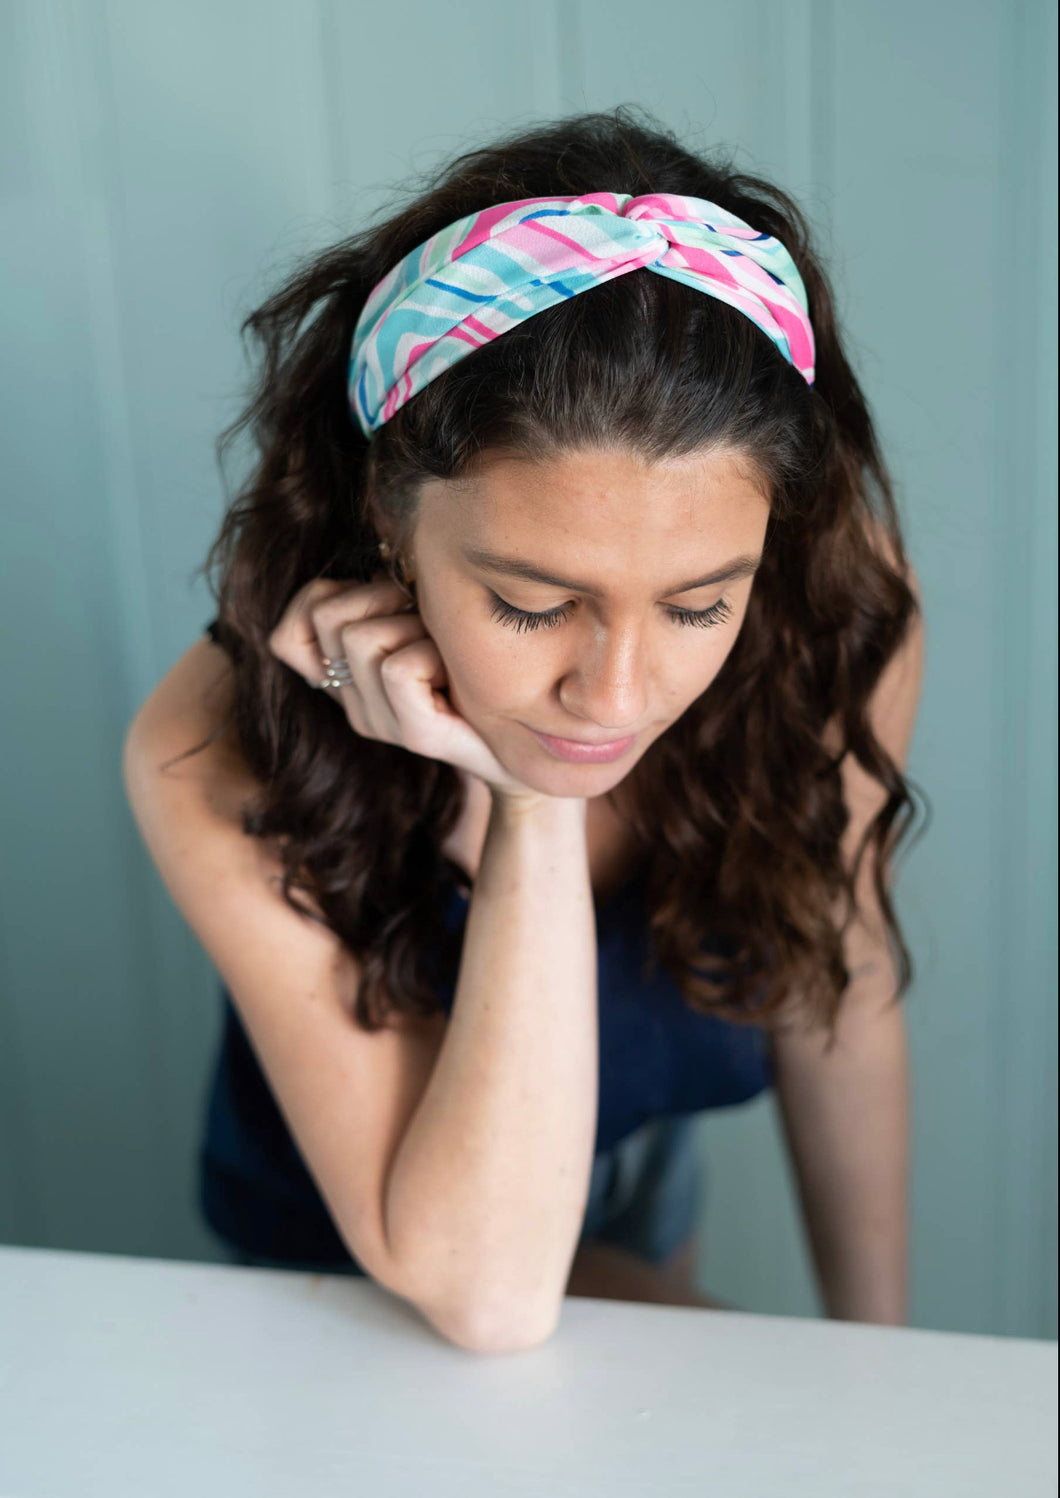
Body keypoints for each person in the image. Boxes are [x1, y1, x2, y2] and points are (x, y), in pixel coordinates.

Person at [122, 106, 925, 1352]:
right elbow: (486, 1289)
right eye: (532, 603)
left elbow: (845, 973)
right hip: (339, 1275)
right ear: (390, 515)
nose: (614, 696)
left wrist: (888, 1357)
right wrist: (531, 802)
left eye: (700, 602)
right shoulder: (214, 748)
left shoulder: (838, 619)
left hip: (627, 1176)